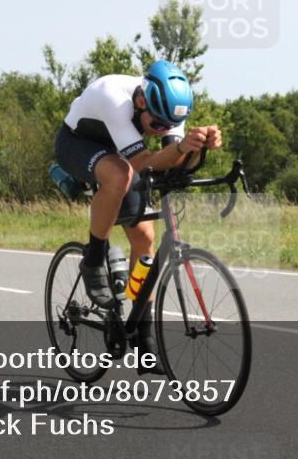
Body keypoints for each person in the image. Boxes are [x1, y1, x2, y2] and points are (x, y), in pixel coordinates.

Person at [54, 60, 222, 365]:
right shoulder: (114, 97)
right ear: (142, 100)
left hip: (121, 152)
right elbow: (145, 162)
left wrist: (198, 149)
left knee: (144, 238)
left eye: (167, 127)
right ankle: (93, 260)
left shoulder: (168, 110)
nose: (161, 131)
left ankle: (142, 336)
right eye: (156, 126)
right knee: (119, 175)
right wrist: (181, 149)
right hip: (78, 144)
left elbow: (172, 162)